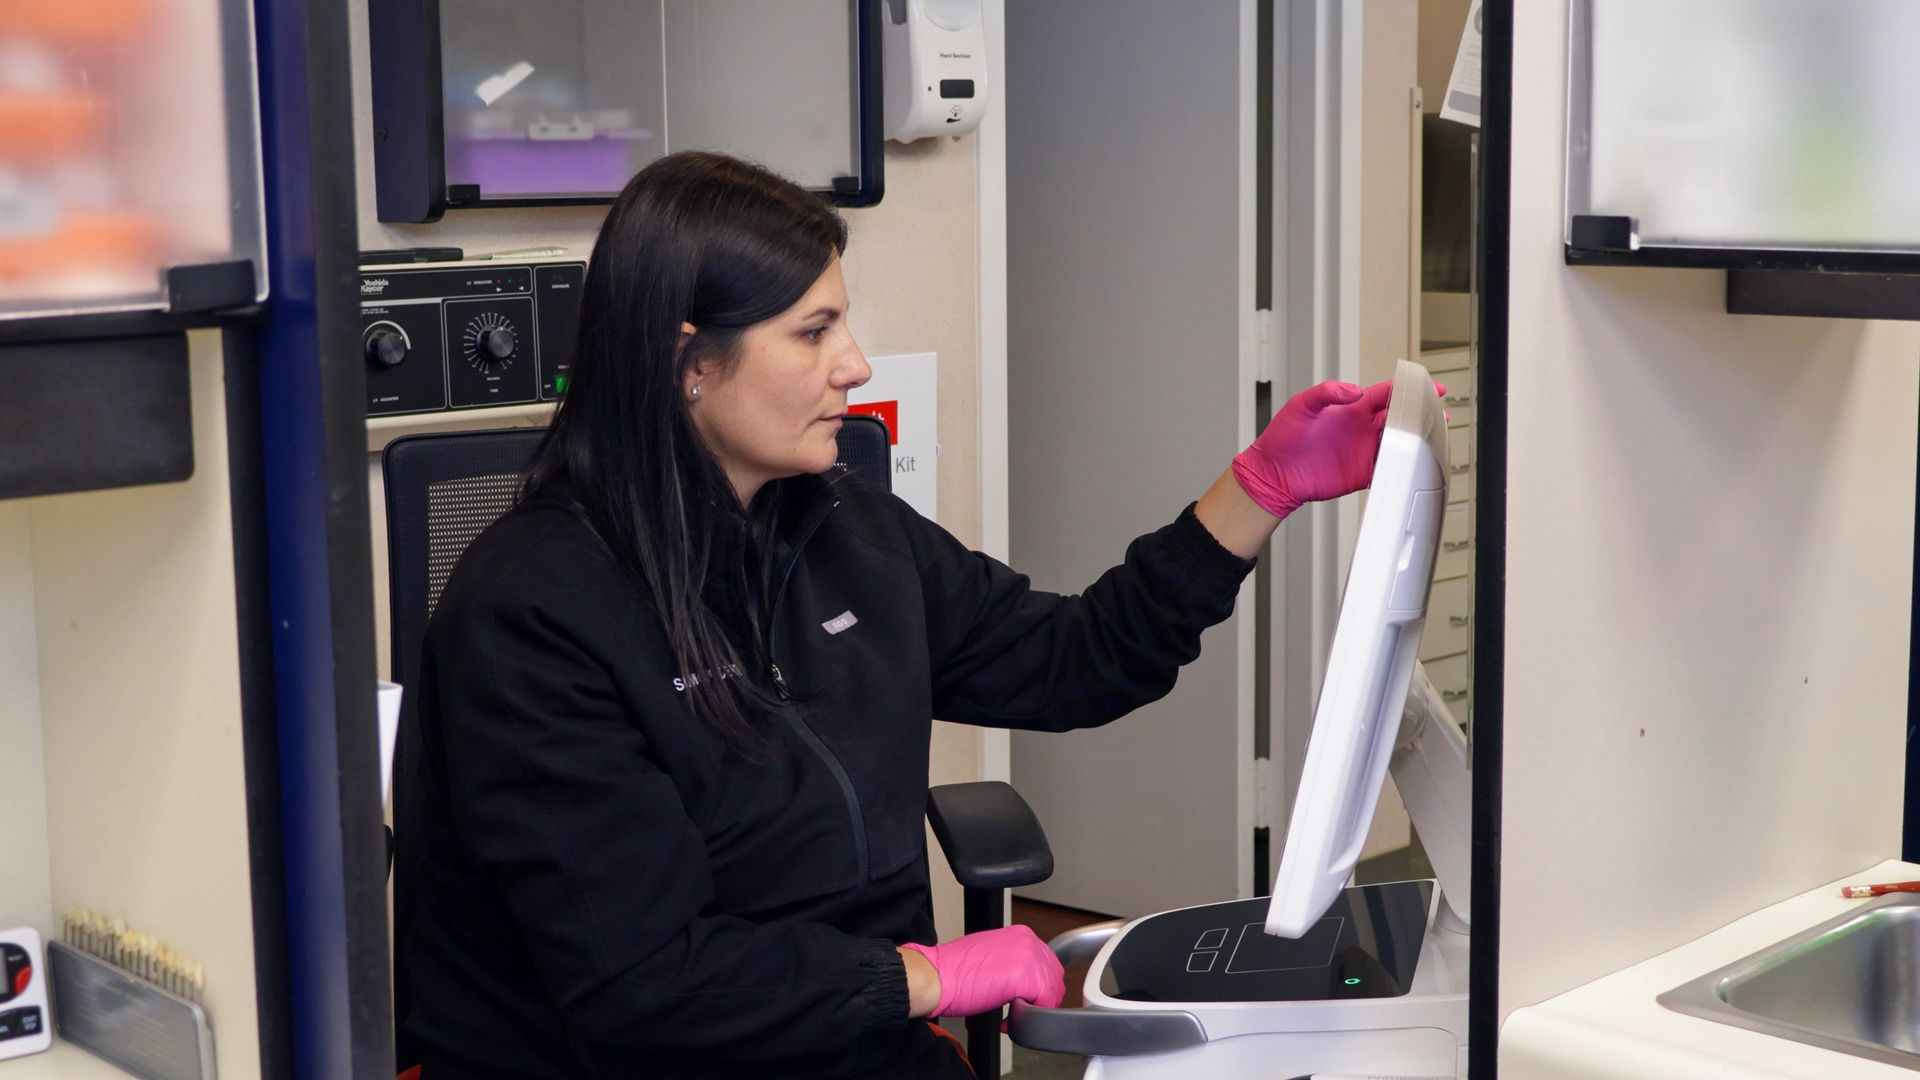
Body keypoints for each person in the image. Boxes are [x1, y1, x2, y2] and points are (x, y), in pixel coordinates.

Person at [399, 151, 1427, 1079]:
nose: (854, 363)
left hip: (850, 1042)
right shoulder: (531, 617)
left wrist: (1255, 490)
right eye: (814, 331)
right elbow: (645, 983)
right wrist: (928, 978)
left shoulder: (842, 525)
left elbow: (1075, 660)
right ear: (690, 364)